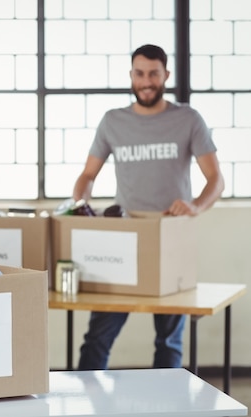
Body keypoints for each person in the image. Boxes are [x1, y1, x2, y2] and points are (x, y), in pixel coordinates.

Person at [72, 44, 225, 370]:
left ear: (165, 75)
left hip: (171, 242)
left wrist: (196, 206)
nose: (146, 81)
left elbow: (216, 180)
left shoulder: (188, 119)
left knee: (168, 340)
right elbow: (87, 175)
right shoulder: (113, 121)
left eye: (153, 74)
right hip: (123, 245)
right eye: (139, 73)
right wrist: (80, 207)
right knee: (99, 336)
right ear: (131, 76)